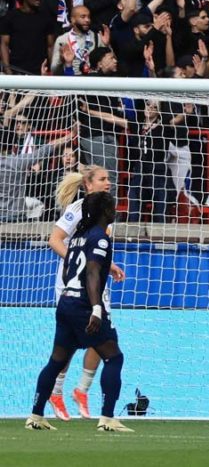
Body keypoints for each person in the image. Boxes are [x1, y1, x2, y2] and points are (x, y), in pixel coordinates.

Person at [26, 191, 133, 433]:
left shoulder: (76, 237)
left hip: (66, 301)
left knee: (56, 361)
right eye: (112, 207)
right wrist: (96, 308)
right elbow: (93, 272)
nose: (115, 210)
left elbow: (67, 271)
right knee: (114, 357)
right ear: (105, 212)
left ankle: (35, 415)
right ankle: (107, 418)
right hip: (84, 306)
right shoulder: (100, 238)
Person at [45, 166, 125, 421]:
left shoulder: (103, 210)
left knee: (102, 334)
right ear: (88, 184)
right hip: (71, 283)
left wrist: (107, 266)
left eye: (109, 178)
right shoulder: (77, 209)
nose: (108, 182)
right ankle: (56, 392)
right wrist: (77, 258)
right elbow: (55, 239)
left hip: (95, 282)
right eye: (103, 179)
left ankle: (81, 390)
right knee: (68, 343)